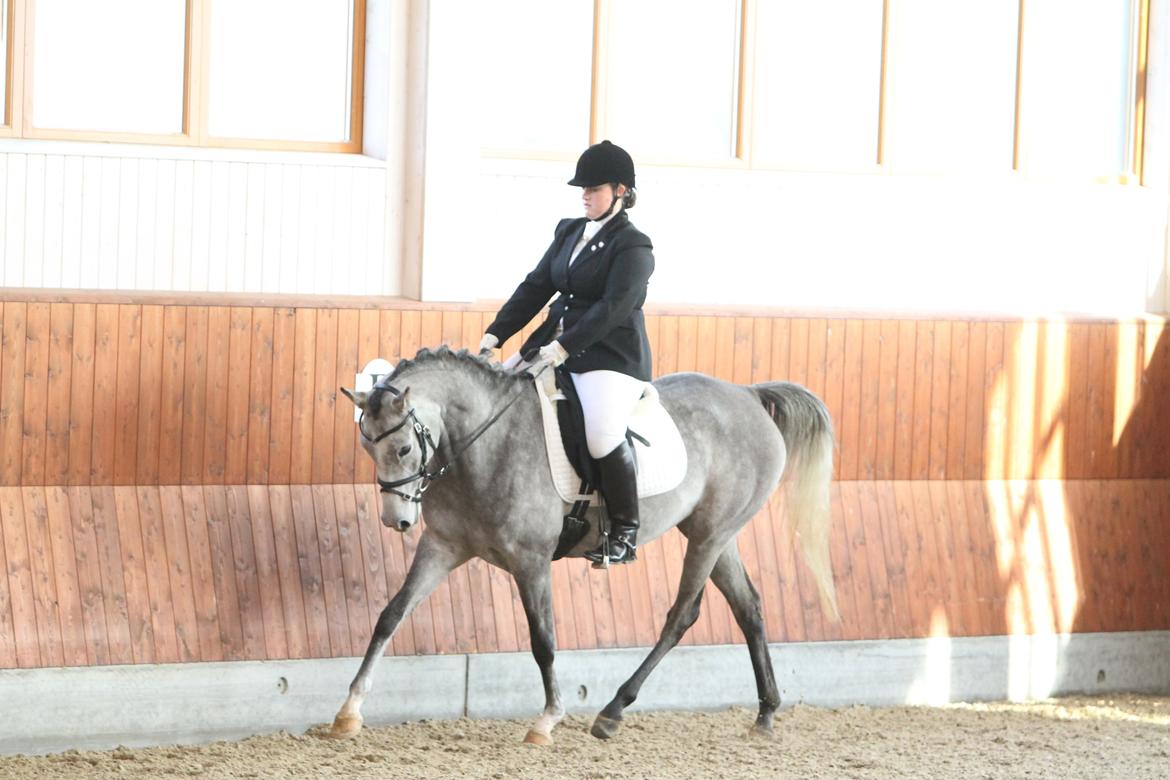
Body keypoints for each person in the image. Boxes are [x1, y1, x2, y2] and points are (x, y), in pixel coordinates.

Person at [479, 140, 654, 566]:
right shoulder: (569, 231)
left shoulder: (634, 246)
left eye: (594, 189)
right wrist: (495, 335)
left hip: (608, 356)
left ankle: (625, 532)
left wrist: (564, 346)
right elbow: (537, 286)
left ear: (620, 191)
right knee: (498, 400)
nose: (585, 195)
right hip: (550, 345)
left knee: (602, 433)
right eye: (584, 189)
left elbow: (614, 308)